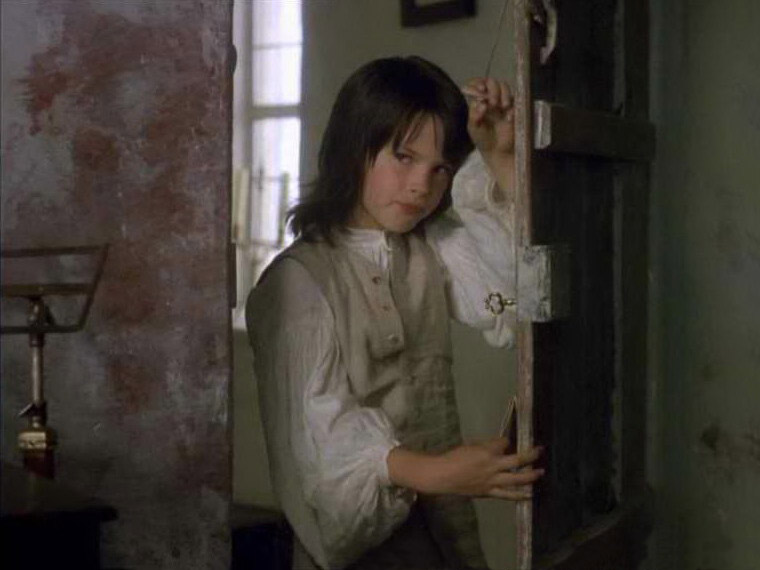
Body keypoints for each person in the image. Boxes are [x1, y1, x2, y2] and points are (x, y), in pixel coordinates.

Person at [246, 56, 544, 570]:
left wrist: (500, 159)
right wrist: (440, 473)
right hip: (361, 544)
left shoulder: (433, 245)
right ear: (353, 148)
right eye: (403, 157)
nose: (420, 185)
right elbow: (318, 442)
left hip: (445, 531)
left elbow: (520, 300)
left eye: (439, 168)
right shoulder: (298, 281)